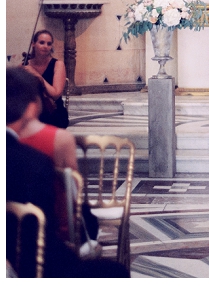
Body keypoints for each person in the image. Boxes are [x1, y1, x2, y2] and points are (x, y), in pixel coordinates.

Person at [7, 68, 128, 277]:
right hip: (27, 264)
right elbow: (41, 234)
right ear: (31, 108)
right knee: (115, 272)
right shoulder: (34, 163)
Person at [23, 29, 68, 128]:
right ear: (33, 44)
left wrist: (37, 75)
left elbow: (55, 94)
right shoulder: (24, 66)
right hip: (31, 113)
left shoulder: (58, 64)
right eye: (42, 42)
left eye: (49, 44)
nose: (45, 46)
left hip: (53, 113)